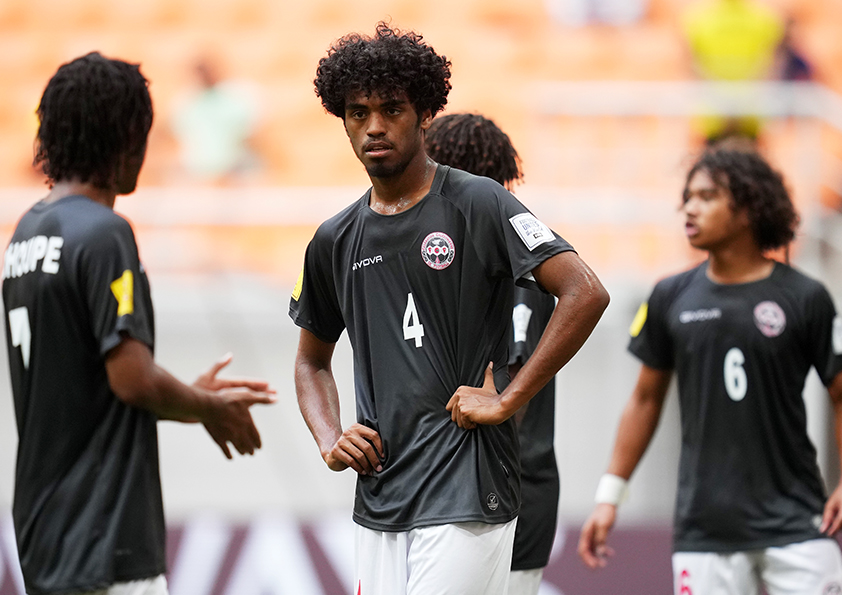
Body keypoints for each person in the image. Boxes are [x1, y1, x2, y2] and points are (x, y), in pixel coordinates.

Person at [290, 23, 609, 595]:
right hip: (381, 494)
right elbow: (311, 361)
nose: (374, 126)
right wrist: (329, 437)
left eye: (392, 109)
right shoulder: (333, 239)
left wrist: (508, 397)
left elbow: (585, 291)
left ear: (425, 114)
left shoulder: (478, 201)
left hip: (468, 488)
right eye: (358, 113)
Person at [2, 52, 276, 595]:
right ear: (128, 136)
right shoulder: (105, 233)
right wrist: (210, 407)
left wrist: (186, 397)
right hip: (105, 536)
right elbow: (131, 379)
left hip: (43, 534)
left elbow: (90, 390)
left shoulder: (25, 235)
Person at [578, 147, 842, 594]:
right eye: (687, 197)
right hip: (704, 531)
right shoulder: (669, 295)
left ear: (748, 207)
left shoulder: (806, 296)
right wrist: (609, 497)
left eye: (706, 196)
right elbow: (644, 401)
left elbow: (840, 394)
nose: (689, 208)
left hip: (798, 523)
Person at [425, 112, 559, 595]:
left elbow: (508, 389)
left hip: (506, 492)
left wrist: (499, 405)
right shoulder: (453, 269)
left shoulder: (515, 271)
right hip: (456, 495)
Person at [681, 0, 785, 144]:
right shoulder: (766, 18)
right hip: (748, 109)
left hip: (717, 110)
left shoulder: (697, 18)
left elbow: (692, 64)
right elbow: (773, 63)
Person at [170, 56, 261, 184]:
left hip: (234, 168)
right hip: (196, 170)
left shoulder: (236, 98)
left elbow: (251, 135)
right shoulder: (186, 103)